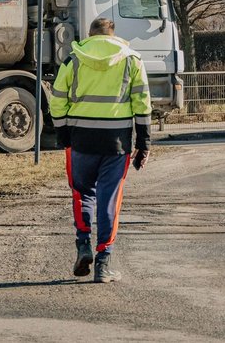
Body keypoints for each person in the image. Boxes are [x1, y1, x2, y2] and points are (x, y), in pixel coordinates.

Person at [49, 17, 152, 283]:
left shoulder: (73, 60)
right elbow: (142, 103)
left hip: (80, 140)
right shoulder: (132, 60)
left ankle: (83, 244)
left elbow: (57, 100)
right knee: (110, 200)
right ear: (113, 34)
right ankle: (103, 264)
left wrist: (63, 135)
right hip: (116, 143)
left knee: (82, 193)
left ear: (90, 34)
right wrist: (143, 143)